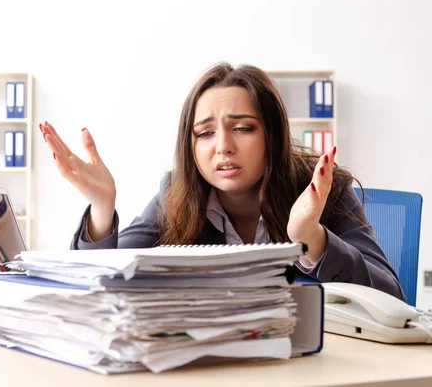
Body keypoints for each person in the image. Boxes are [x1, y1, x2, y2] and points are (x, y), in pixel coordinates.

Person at [39, 62, 405, 301]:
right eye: (205, 133)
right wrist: (103, 208)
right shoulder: (176, 193)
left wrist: (311, 238)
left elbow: (392, 297)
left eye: (243, 128)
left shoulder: (323, 189)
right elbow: (100, 285)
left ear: (272, 135)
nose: (223, 147)